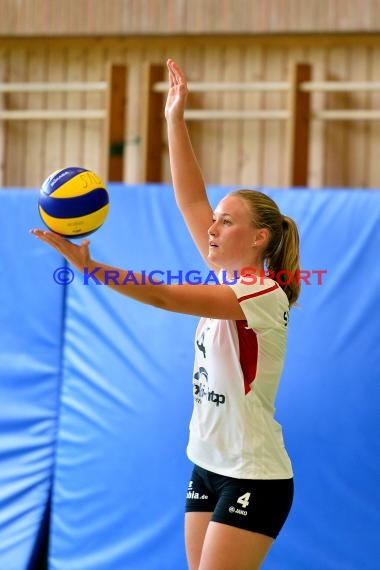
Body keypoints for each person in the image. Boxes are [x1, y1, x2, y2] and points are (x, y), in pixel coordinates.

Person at [31, 59, 300, 570]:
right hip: (206, 463)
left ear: (259, 237)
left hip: (253, 475)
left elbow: (165, 297)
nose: (213, 226)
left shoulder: (262, 293)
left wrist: (92, 268)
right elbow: (189, 198)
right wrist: (174, 120)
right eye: (214, 220)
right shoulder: (229, 276)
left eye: (227, 221)